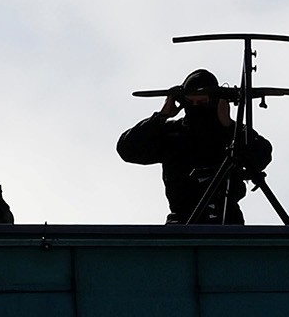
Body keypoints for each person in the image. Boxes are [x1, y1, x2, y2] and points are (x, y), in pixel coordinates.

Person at [116, 68, 272, 224]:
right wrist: (160, 117)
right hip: (182, 223)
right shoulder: (172, 135)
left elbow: (263, 154)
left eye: (202, 102)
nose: (196, 106)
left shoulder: (231, 135)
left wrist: (229, 125)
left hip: (226, 221)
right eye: (191, 102)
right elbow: (127, 149)